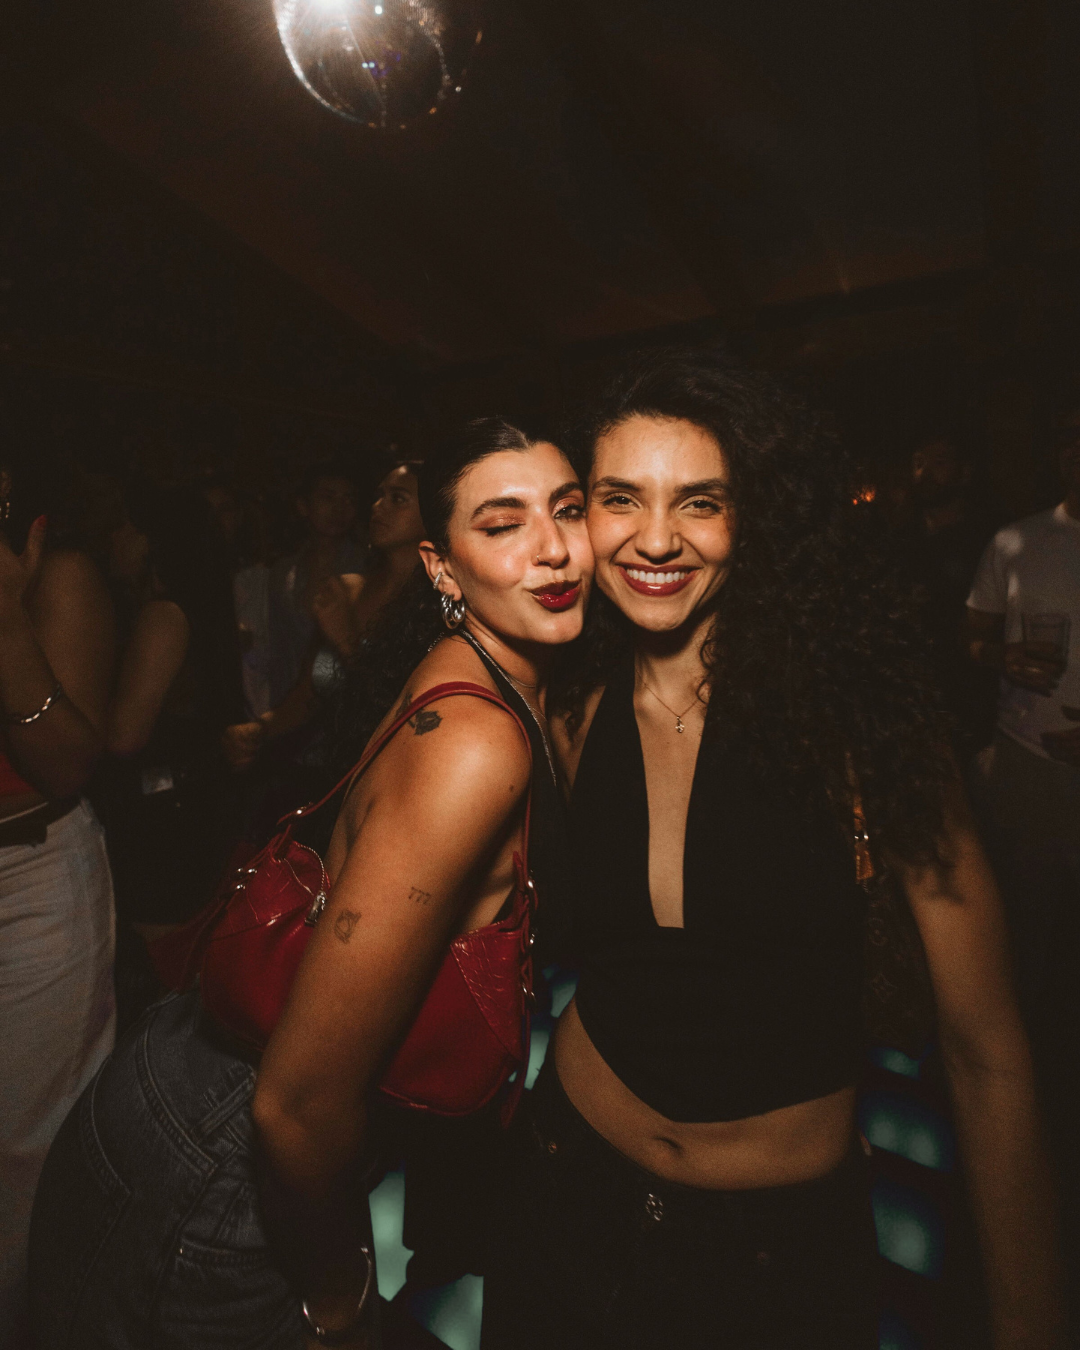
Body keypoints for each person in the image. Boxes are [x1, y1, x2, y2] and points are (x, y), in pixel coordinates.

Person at [483, 350, 1065, 1350]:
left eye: (700, 503)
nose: (655, 538)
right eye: (621, 499)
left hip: (776, 1257)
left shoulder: (859, 725)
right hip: (564, 1185)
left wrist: (1032, 1320)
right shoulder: (568, 704)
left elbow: (987, 1050)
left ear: (754, 518)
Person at [29, 418, 592, 1350]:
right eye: (503, 524)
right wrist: (338, 1288)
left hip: (199, 1091)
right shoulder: (476, 743)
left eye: (567, 510)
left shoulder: (489, 672)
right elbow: (293, 1108)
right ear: (443, 568)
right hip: (221, 1149)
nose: (553, 548)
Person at [0, 456, 117, 1344]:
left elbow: (72, 762)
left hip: (30, 876)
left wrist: (5, 619)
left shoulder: (55, 571)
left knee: (23, 1156)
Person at [91, 483, 246, 1024]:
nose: (113, 537)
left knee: (155, 981)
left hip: (160, 823)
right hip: (187, 810)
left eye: (124, 526)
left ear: (154, 539)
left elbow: (124, 735)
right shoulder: (200, 607)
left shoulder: (164, 615)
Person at [223, 461, 425, 774]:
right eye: (378, 496)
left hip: (392, 775)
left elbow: (414, 715)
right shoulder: (346, 589)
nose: (377, 506)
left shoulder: (440, 603)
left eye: (397, 498)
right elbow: (308, 694)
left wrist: (346, 641)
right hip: (319, 773)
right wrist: (259, 730)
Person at [965, 406, 1080, 862]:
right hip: (1026, 761)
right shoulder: (1014, 541)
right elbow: (970, 640)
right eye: (1069, 436)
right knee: (1029, 896)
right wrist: (1001, 656)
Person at [896, 430, 998, 760]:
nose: (925, 473)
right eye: (918, 463)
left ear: (964, 472)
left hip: (971, 703)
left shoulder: (989, 540)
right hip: (909, 700)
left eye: (939, 462)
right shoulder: (897, 539)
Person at [265, 462, 364, 709]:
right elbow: (275, 647)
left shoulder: (367, 568)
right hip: (285, 701)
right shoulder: (282, 572)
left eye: (349, 499)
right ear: (303, 506)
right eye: (328, 497)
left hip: (343, 705)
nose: (339, 508)